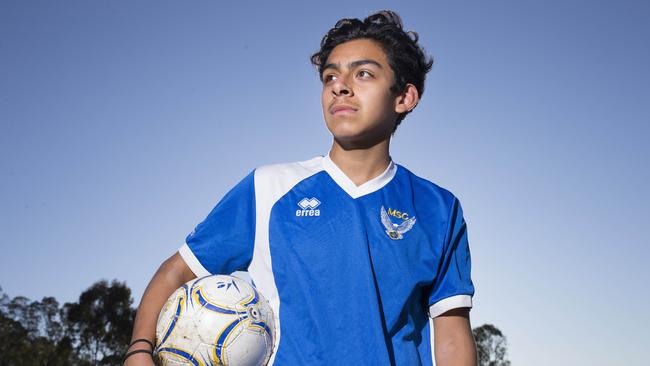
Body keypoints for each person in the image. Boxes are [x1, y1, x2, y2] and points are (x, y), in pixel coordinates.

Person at [124, 9, 477, 366]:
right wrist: (138, 350)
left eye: (363, 73)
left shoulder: (438, 208)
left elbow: (450, 334)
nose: (339, 86)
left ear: (404, 97)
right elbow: (177, 271)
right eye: (330, 77)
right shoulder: (269, 187)